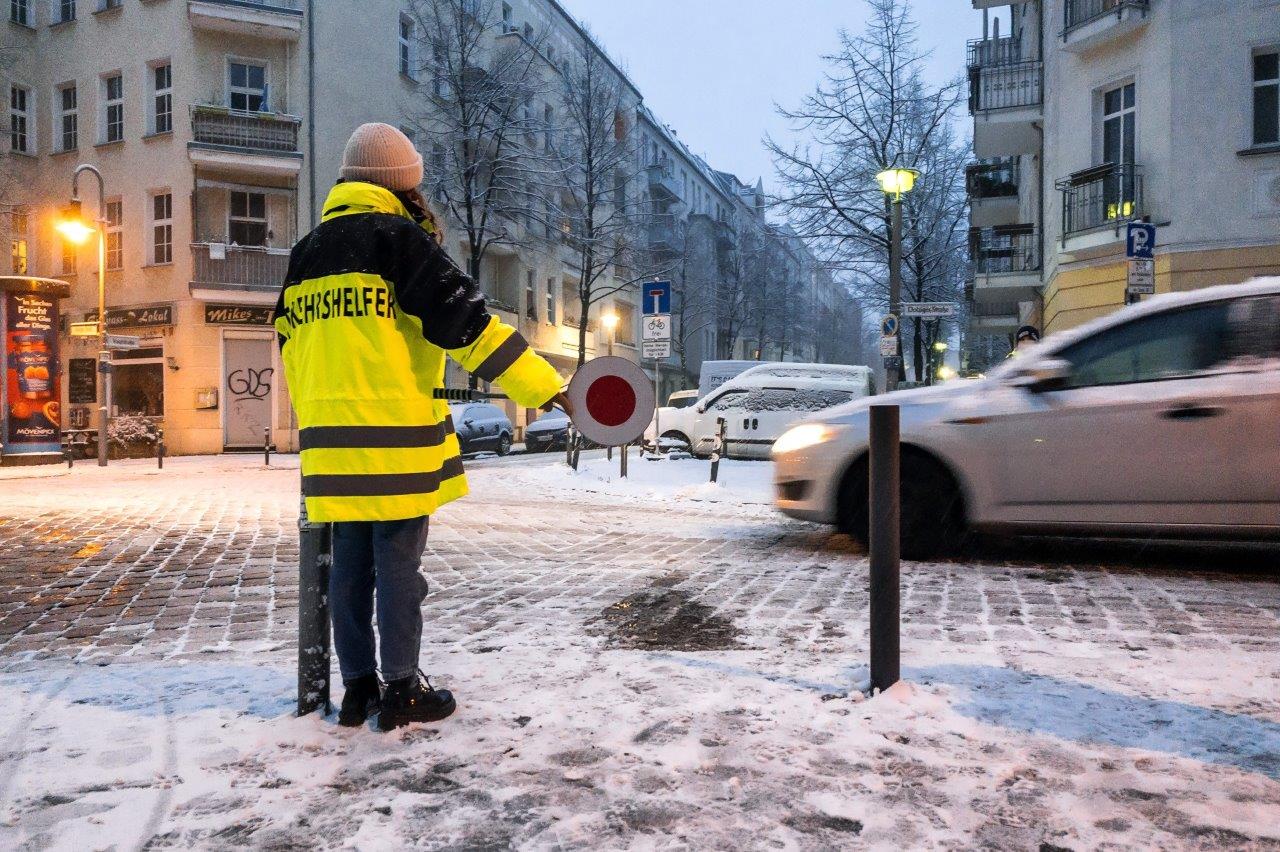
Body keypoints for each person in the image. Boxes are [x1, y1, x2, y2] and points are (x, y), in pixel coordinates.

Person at [274, 123, 571, 732]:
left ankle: (356, 691)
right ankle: (402, 688)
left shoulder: (306, 252)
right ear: (401, 185)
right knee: (399, 571)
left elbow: (286, 341)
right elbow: (467, 327)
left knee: (350, 571)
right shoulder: (397, 239)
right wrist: (548, 388)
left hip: (329, 449)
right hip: (396, 442)